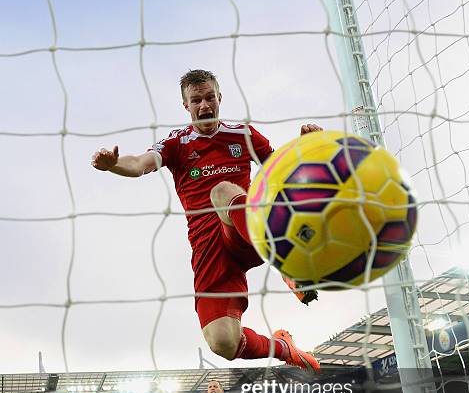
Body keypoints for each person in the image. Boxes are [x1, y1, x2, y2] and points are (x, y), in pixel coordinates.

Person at [91, 69, 320, 371]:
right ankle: (283, 347)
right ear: (186, 105)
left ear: (219, 98)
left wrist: (306, 149)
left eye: (209, 97)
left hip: (247, 230)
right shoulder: (176, 143)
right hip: (208, 249)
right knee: (222, 342)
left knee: (222, 191)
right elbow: (138, 164)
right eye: (196, 99)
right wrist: (113, 164)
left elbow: (281, 169)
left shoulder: (243, 134)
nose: (204, 105)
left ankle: (286, 260)